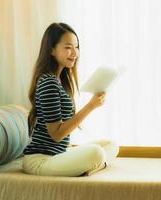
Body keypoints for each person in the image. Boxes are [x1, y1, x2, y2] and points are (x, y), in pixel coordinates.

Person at [22, 22, 119, 177]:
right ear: (52, 50)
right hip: (40, 160)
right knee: (96, 153)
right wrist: (91, 106)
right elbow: (56, 134)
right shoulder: (48, 82)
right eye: (68, 47)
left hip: (59, 153)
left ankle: (88, 168)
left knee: (110, 145)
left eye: (76, 47)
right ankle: (91, 166)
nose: (75, 53)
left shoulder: (60, 80)